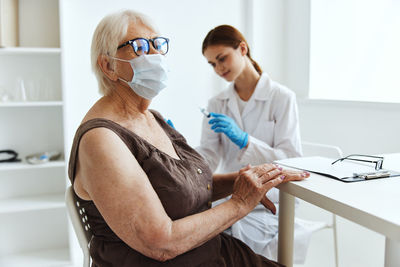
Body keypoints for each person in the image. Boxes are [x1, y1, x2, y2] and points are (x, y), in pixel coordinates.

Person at [68, 10, 309, 267]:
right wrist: (239, 202)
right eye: (138, 47)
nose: (154, 56)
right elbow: (160, 243)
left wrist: (241, 181)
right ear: (109, 66)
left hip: (210, 250)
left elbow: (185, 185)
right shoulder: (101, 139)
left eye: (157, 45)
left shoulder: (152, 117)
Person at [196, 25, 312, 263]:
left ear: (242, 48)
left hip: (274, 199)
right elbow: (209, 156)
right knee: (201, 233)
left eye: (222, 59)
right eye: (212, 64)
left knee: (224, 242)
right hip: (233, 194)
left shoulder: (281, 98)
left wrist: (247, 141)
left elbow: (291, 158)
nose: (218, 69)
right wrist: (178, 150)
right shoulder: (217, 103)